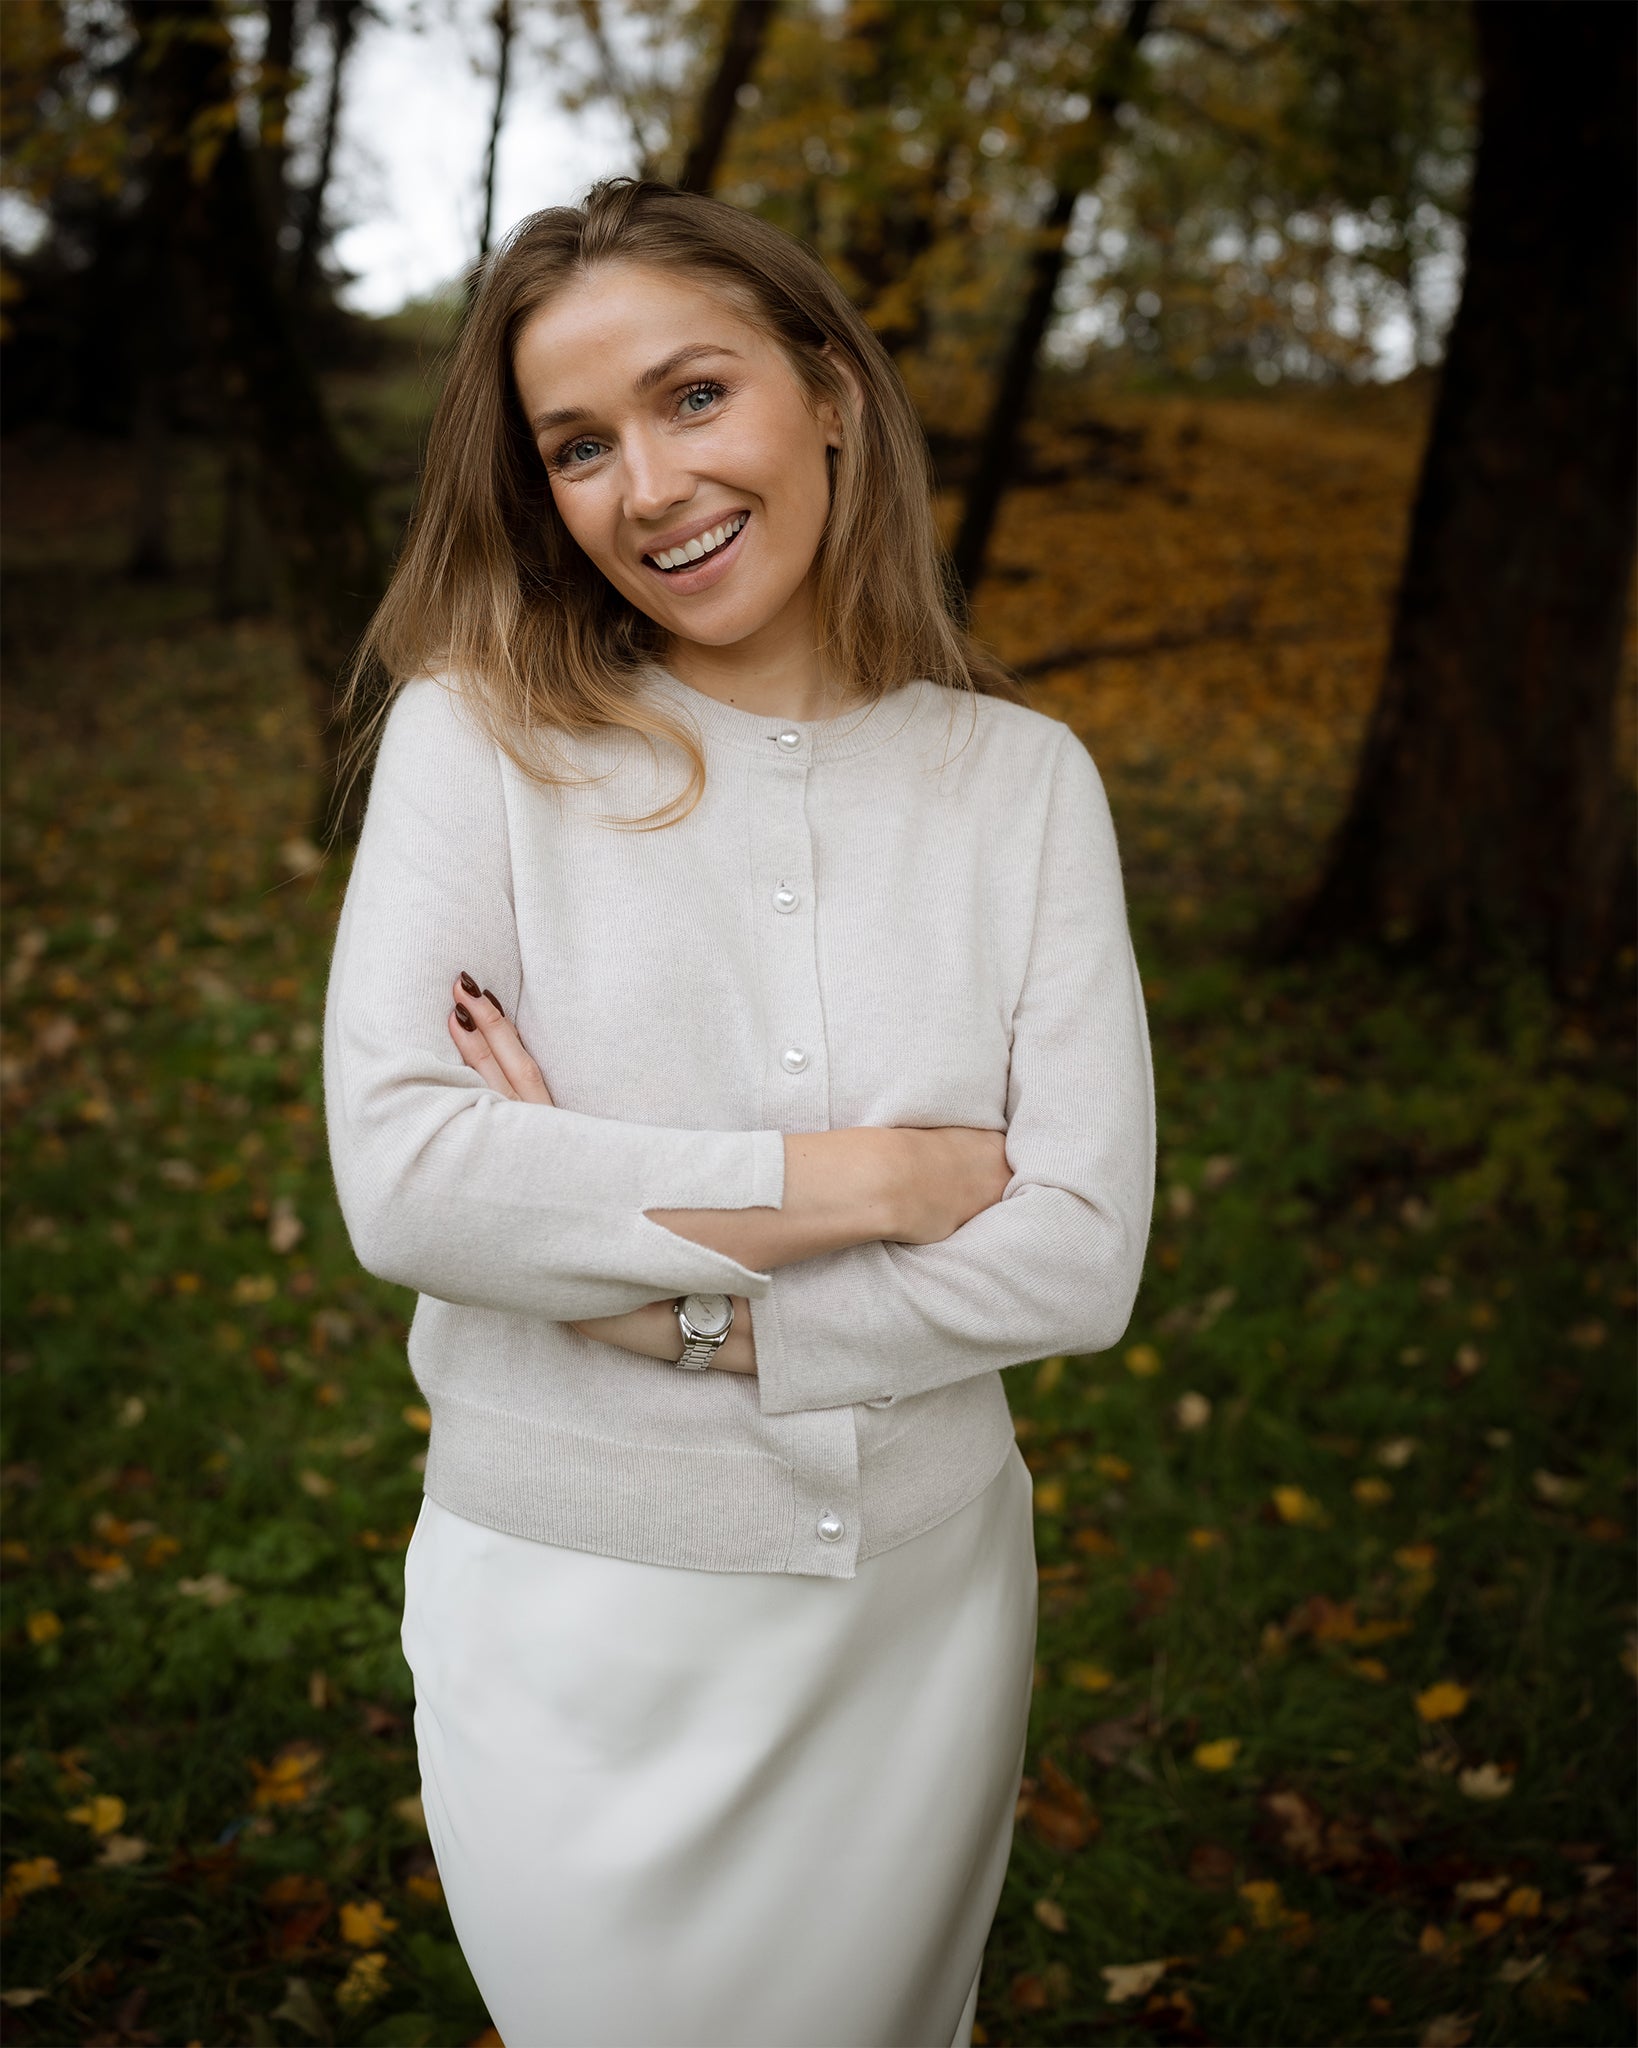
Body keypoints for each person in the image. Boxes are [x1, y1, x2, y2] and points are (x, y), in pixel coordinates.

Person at [322, 175, 1155, 2048]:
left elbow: (1080, 1254)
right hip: (571, 1615)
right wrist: (876, 1180)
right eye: (578, 445)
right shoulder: (477, 741)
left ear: (831, 395)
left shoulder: (1019, 783)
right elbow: (414, 1183)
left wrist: (657, 1298)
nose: (648, 485)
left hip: (912, 1620)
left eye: (696, 397)